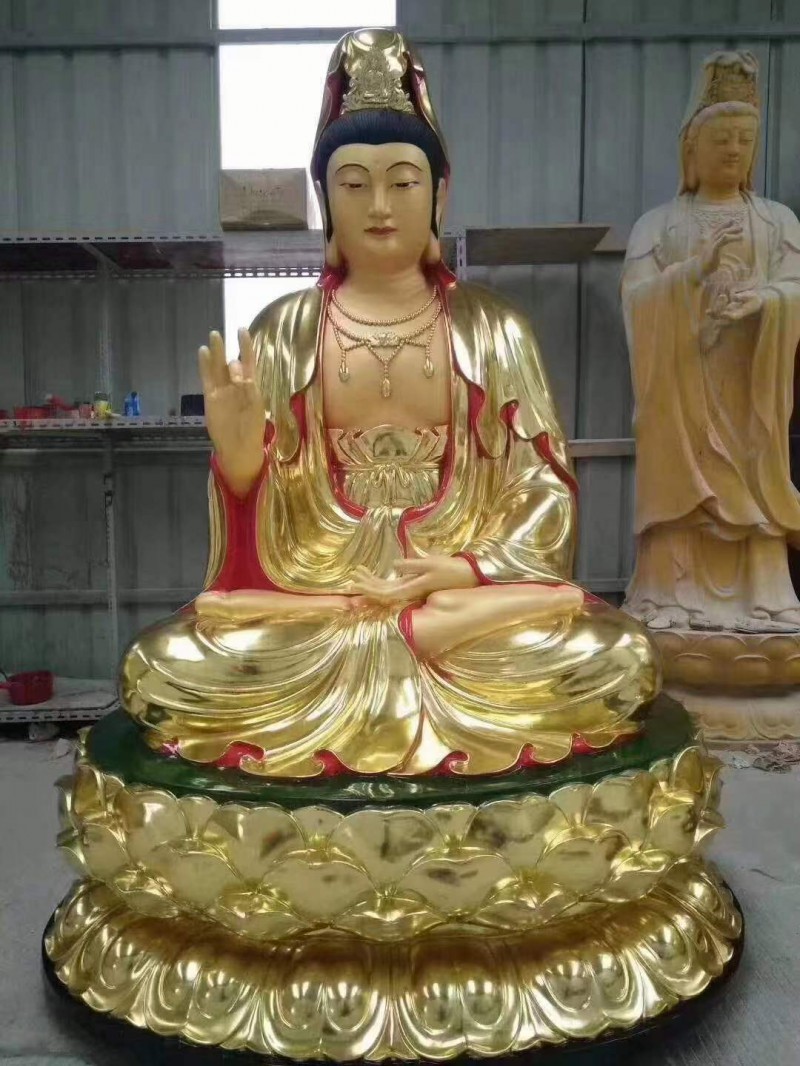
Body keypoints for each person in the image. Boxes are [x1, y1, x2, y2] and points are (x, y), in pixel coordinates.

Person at [121, 29, 658, 777]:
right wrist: (241, 467)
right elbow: (249, 556)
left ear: (438, 195)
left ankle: (410, 659)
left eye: (403, 183)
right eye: (353, 184)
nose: (379, 206)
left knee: (618, 654)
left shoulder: (492, 329)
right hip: (322, 600)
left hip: (460, 605)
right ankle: (410, 666)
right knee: (164, 663)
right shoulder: (284, 331)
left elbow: (542, 489)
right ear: (325, 199)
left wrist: (463, 570)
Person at [623, 51, 800, 633]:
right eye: (721, 138)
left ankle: (766, 594)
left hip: (749, 385)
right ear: (691, 150)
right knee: (682, 480)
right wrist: (691, 274)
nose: (733, 150)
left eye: (745, 140)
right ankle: (671, 595)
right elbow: (636, 300)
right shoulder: (658, 225)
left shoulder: (777, 222)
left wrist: (766, 301)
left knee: (754, 475)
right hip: (681, 388)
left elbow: (796, 287)